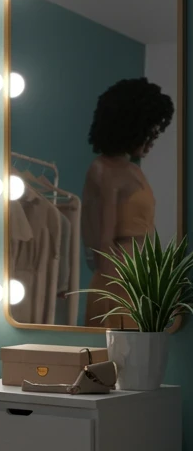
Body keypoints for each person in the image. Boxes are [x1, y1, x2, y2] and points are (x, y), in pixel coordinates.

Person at [81, 77, 174, 328]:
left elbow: (148, 230)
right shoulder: (102, 169)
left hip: (145, 282)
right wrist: (123, 291)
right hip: (120, 284)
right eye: (150, 129)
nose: (154, 136)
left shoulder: (134, 170)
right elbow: (101, 243)